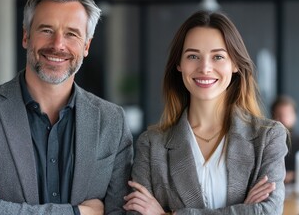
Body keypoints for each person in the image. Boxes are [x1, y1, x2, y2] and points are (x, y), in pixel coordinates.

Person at [0, 0, 133, 215]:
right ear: (25, 37)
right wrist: (80, 212)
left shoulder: (112, 121)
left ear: (86, 46)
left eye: (71, 34)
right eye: (46, 30)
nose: (58, 45)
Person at [123, 11, 288, 214]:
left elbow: (268, 211)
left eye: (218, 56)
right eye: (193, 56)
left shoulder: (268, 137)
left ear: (235, 64)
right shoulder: (151, 144)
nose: (205, 67)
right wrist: (244, 210)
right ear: (179, 65)